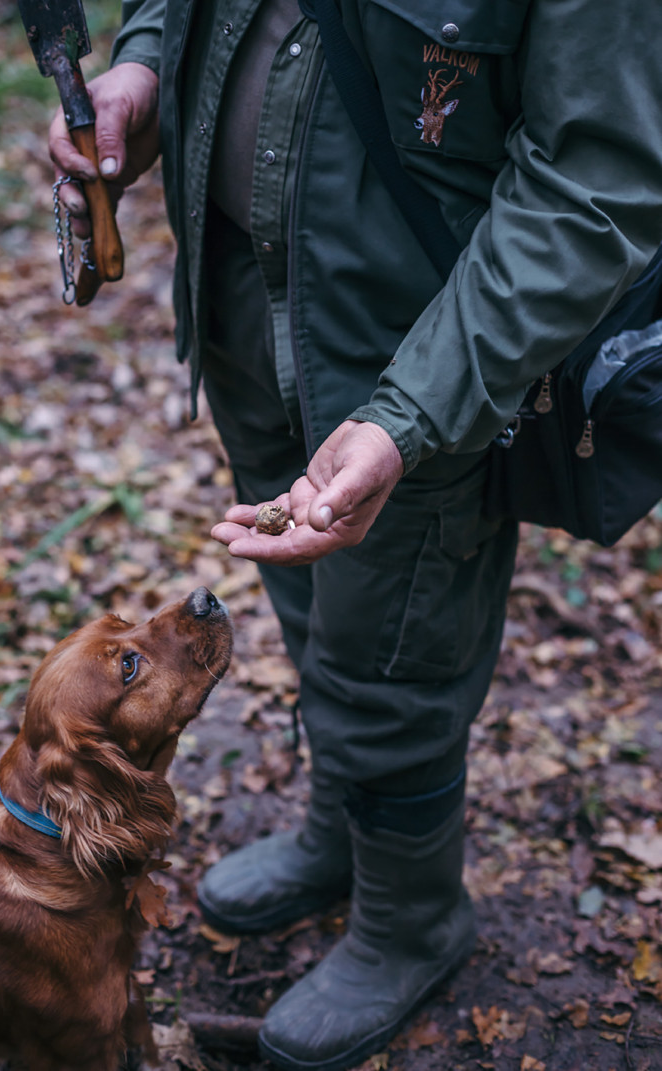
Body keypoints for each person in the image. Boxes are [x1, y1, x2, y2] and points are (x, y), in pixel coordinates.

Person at [49, 1, 662, 1068]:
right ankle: (344, 832)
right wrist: (144, 68)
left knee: (393, 648)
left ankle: (410, 916)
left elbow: (594, 182)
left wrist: (408, 416)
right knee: (312, 609)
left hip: (423, 346)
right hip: (249, 289)